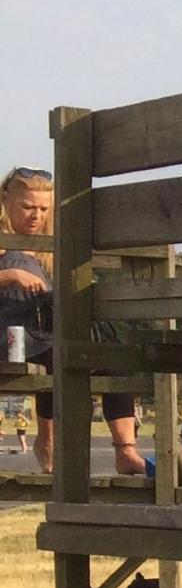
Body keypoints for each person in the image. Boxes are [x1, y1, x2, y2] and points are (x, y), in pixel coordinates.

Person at [2, 165, 147, 478]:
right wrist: (10, 275)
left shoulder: (51, 246)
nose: (35, 215)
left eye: (42, 208)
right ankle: (49, 440)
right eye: (27, 207)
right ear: (6, 200)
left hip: (46, 332)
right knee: (63, 356)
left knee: (114, 355)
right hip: (9, 336)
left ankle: (126, 451)